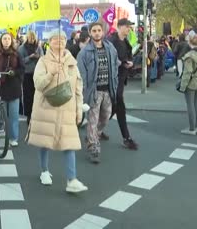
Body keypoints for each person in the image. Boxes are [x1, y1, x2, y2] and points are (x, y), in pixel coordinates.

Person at [27, 30, 88, 193]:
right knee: (44, 142)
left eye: (62, 39)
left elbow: (78, 87)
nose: (59, 42)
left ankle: (72, 180)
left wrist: (79, 109)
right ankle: (44, 171)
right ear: (50, 42)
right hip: (46, 108)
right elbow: (38, 84)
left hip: (67, 109)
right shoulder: (43, 61)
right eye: (55, 39)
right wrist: (51, 74)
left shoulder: (72, 62)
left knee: (70, 144)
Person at [77, 22, 119, 164]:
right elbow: (81, 74)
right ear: (89, 33)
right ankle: (93, 147)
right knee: (92, 121)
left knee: (106, 117)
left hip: (108, 89)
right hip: (93, 92)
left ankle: (93, 135)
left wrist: (116, 81)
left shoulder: (110, 48)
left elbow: (115, 65)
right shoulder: (84, 52)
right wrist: (84, 92)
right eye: (94, 30)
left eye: (99, 30)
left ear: (103, 32)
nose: (96, 33)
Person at [108, 19, 138, 150]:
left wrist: (130, 63)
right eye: (127, 27)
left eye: (130, 27)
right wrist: (122, 63)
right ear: (119, 27)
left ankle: (96, 129)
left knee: (114, 107)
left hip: (121, 78)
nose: (129, 29)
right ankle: (126, 138)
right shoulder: (111, 41)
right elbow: (109, 59)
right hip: (111, 79)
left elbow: (129, 56)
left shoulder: (126, 42)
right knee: (119, 105)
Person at [178, 34, 197, 135]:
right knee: (195, 103)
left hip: (191, 83)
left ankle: (192, 129)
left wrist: (182, 87)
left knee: (190, 105)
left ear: (189, 43)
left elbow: (187, 73)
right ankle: (195, 126)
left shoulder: (190, 56)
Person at [18, 31, 43, 124]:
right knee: (28, 96)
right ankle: (29, 115)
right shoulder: (22, 48)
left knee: (38, 95)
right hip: (27, 74)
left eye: (33, 38)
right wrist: (30, 57)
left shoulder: (38, 47)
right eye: (30, 38)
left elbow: (43, 58)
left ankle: (37, 114)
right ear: (27, 38)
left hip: (38, 73)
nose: (32, 40)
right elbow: (20, 61)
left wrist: (39, 57)